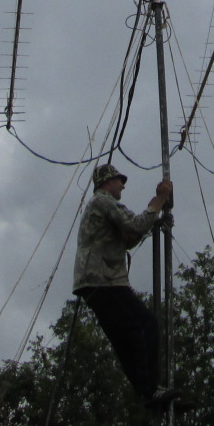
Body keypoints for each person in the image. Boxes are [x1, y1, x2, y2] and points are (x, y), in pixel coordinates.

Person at [73, 161, 178, 409]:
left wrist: (152, 216)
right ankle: (151, 390)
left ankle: (148, 392)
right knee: (145, 325)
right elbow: (134, 224)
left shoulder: (99, 206)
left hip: (96, 280)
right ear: (107, 182)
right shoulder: (103, 201)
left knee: (126, 337)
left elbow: (128, 237)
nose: (122, 185)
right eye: (119, 180)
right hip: (103, 279)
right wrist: (159, 200)